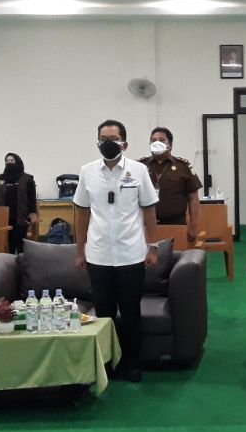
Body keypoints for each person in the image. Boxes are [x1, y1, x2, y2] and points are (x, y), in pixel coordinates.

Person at [74, 119, 159, 383]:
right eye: (103, 139)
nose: (107, 143)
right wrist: (80, 250)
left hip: (131, 253)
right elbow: (81, 212)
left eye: (113, 138)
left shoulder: (139, 171)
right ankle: (106, 365)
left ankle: (132, 364)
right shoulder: (87, 172)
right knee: (104, 314)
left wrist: (153, 246)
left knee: (131, 312)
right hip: (98, 254)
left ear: (124, 143)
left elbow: (149, 210)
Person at [139, 126, 202, 244]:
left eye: (162, 140)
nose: (157, 143)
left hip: (175, 224)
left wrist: (193, 226)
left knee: (176, 255)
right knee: (147, 255)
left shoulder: (183, 166)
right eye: (153, 140)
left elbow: (193, 198)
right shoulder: (140, 166)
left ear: (170, 145)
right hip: (145, 225)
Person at [0, 152, 38, 254]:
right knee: (8, 244)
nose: (9, 163)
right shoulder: (0, 179)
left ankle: (21, 262)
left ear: (17, 162)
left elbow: (32, 198)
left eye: (12, 160)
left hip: (22, 217)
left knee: (21, 244)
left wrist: (33, 213)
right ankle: (9, 262)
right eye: (7, 161)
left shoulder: (28, 179)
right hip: (4, 218)